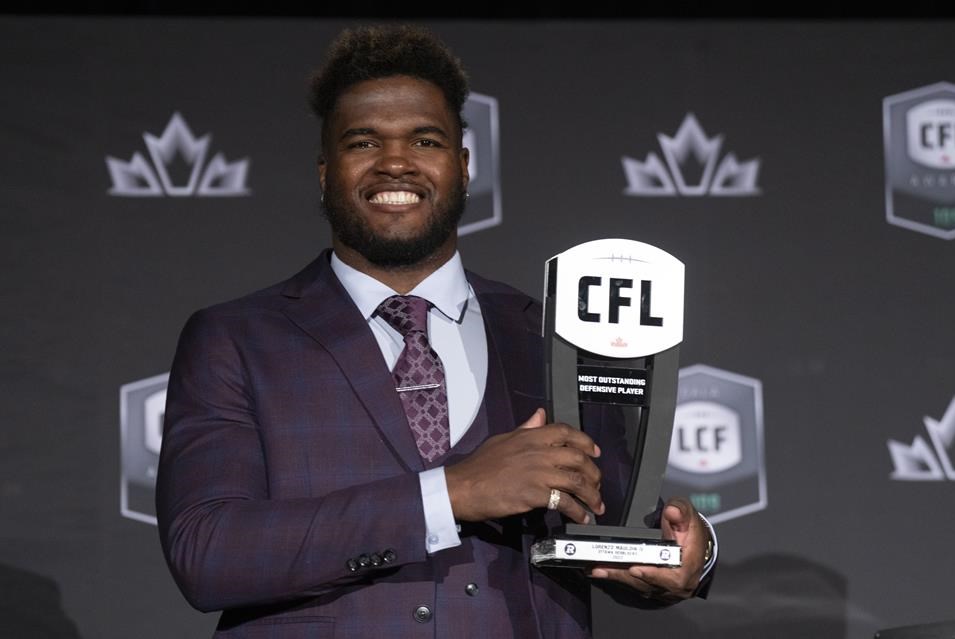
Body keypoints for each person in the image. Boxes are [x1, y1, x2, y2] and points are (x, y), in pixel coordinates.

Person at [155, 25, 715, 638]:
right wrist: (451, 494)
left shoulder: (552, 337)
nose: (395, 161)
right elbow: (207, 554)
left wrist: (683, 550)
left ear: (464, 166)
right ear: (324, 171)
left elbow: (606, 528)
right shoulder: (236, 339)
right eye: (363, 141)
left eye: (425, 139)